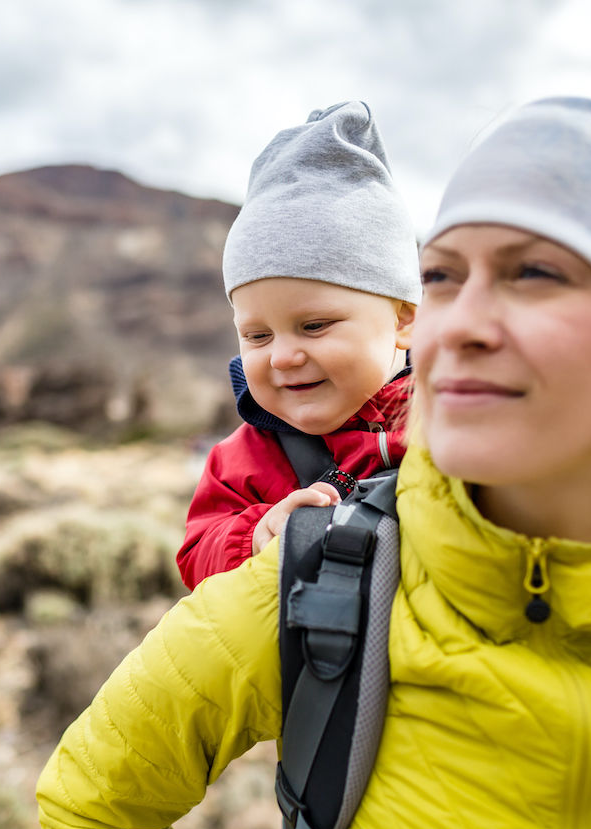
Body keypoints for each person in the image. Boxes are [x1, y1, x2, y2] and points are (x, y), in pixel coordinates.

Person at [35, 96, 591, 829]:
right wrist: (260, 540)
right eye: (445, 275)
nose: (462, 324)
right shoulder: (317, 582)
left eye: (534, 275)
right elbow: (89, 804)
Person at [176, 101, 420, 588]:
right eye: (257, 335)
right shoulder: (245, 458)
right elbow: (196, 554)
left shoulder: (457, 418)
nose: (283, 356)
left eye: (314, 326)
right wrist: (257, 536)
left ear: (403, 319)